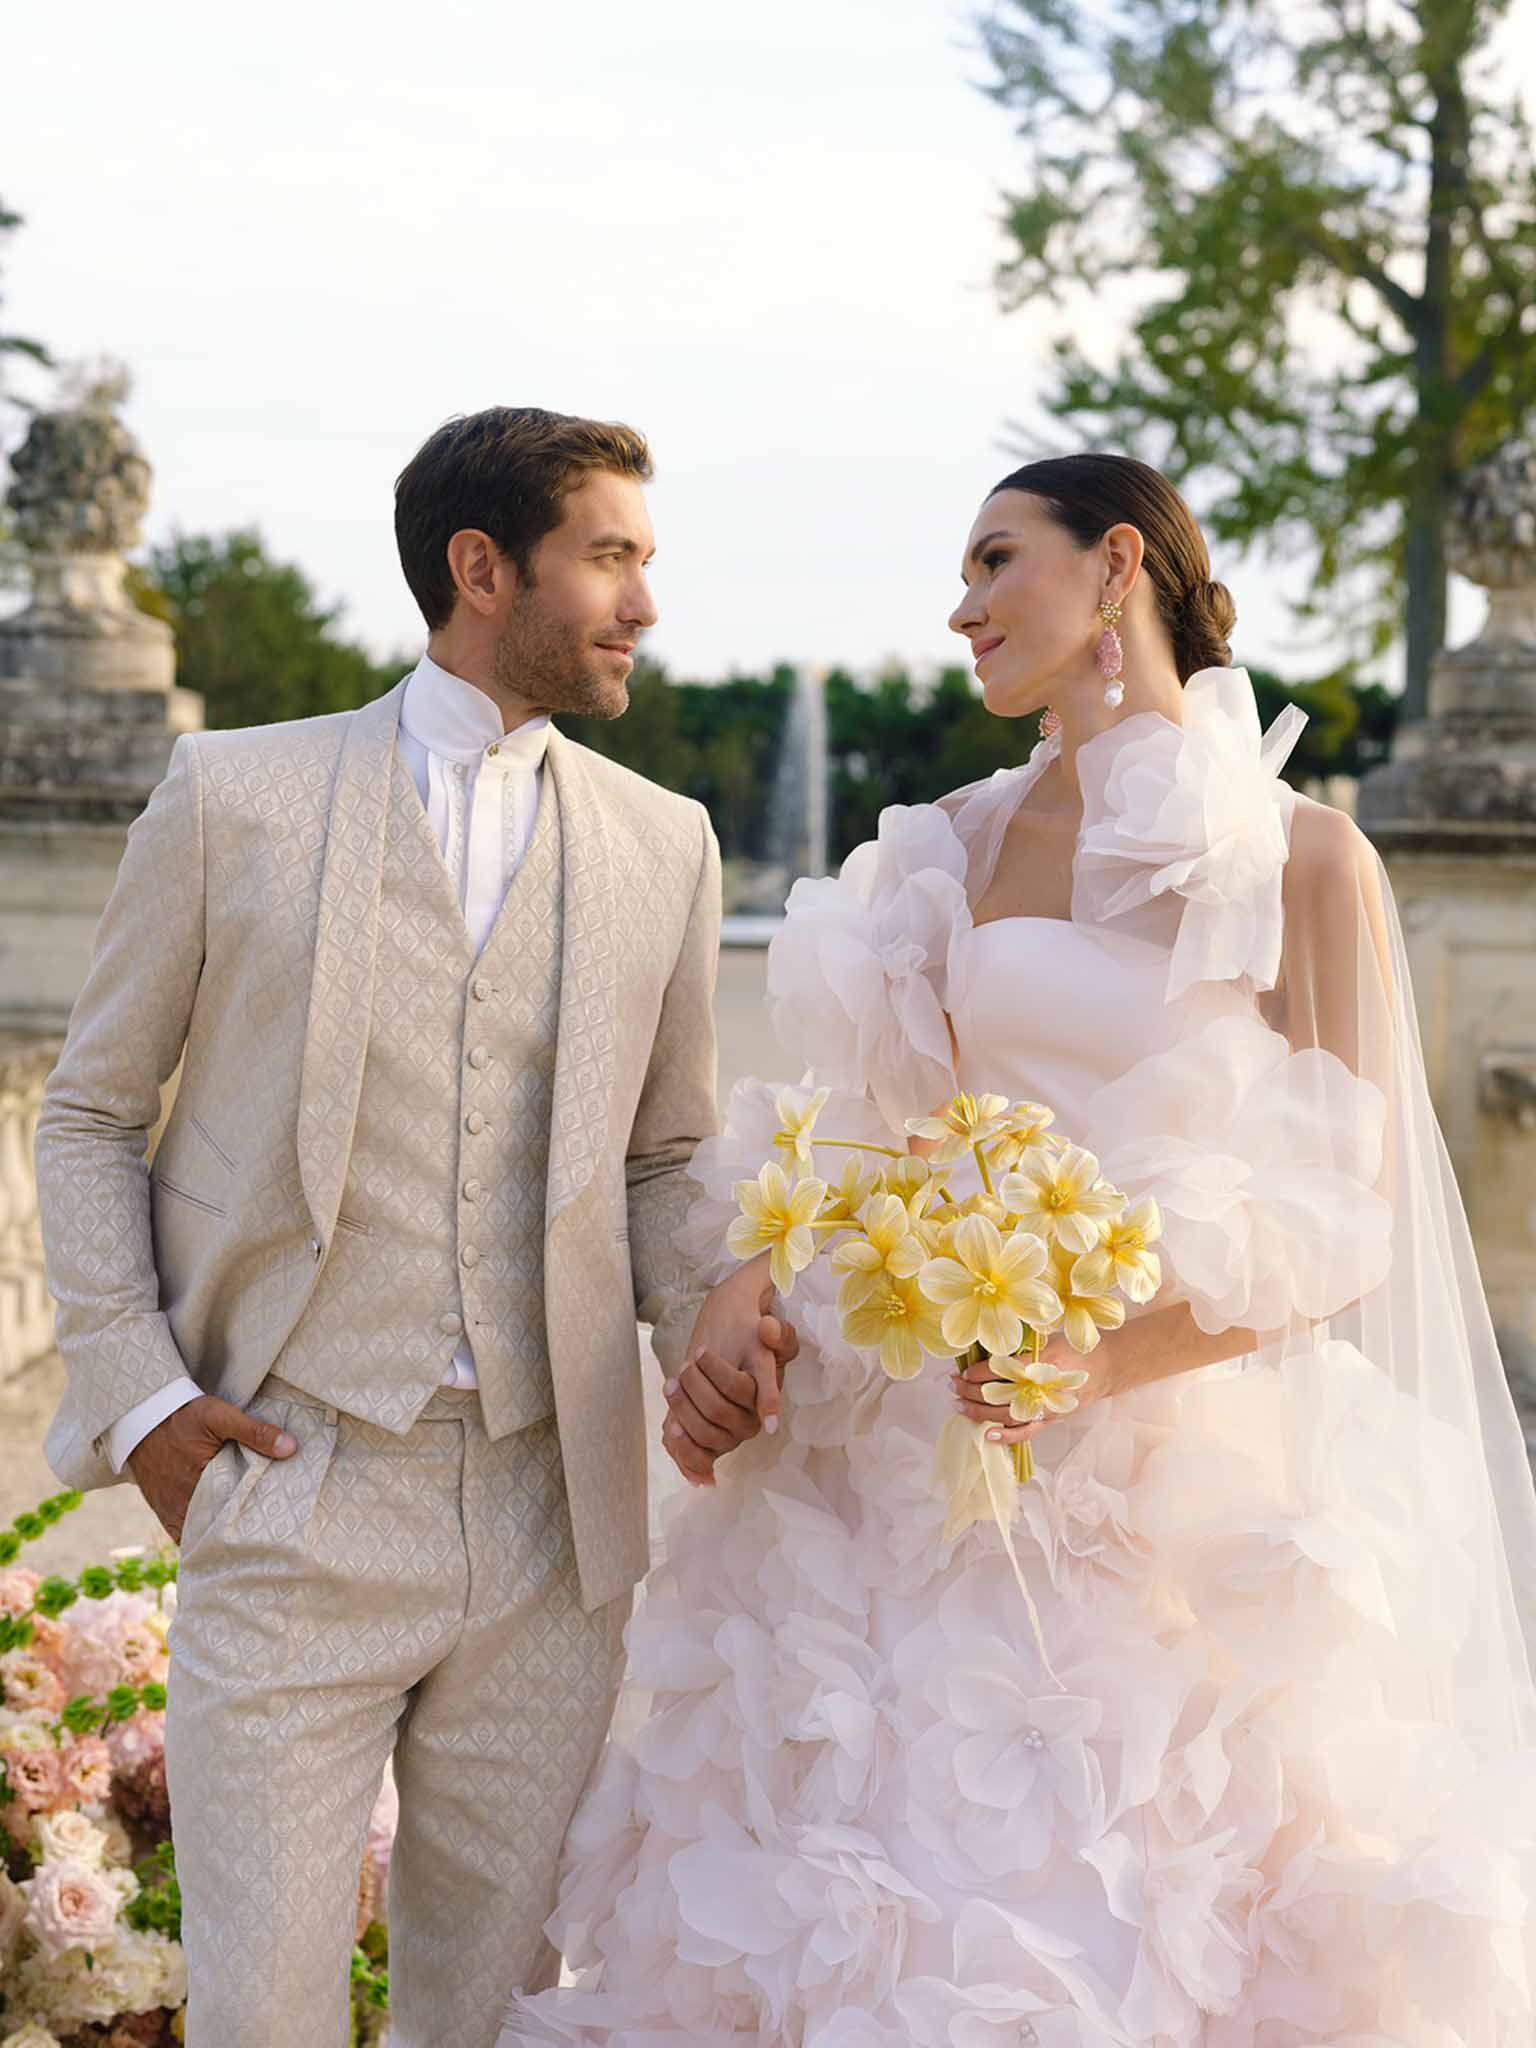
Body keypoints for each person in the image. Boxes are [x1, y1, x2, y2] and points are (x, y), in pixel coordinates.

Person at [502, 453, 1536, 2046]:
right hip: (900, 1462)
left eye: (996, 562)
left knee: (1131, 1911)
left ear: (1115, 564)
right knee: (858, 1898)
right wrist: (742, 1290)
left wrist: (1104, 1359)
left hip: (1172, 1485)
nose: (961, 606)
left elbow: (1347, 1228)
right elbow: (849, 1138)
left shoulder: (1308, 862)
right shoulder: (951, 851)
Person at [32, 405, 796, 2048]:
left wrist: (717, 1309)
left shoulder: (665, 846)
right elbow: (91, 1111)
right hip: (293, 1486)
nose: (645, 604)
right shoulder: (234, 796)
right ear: (481, 567)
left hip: (552, 1523)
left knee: (494, 2018)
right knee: (264, 2017)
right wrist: (144, 1397)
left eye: (646, 562)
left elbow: (662, 1159)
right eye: (611, 557)